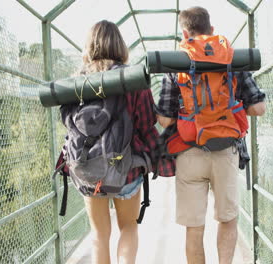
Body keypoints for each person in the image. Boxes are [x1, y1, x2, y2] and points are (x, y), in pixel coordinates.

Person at [155, 6, 266, 264]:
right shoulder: (231, 58)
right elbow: (258, 107)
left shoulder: (176, 64)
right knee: (227, 218)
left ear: (184, 34)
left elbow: (165, 118)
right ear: (212, 30)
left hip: (189, 152)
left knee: (194, 227)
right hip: (225, 151)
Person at [64, 20, 161, 264]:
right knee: (128, 228)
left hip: (88, 169)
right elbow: (147, 121)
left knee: (99, 235)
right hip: (126, 168)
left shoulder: (76, 82)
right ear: (120, 46)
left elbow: (68, 122)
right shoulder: (133, 79)